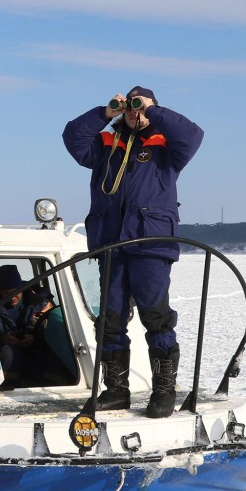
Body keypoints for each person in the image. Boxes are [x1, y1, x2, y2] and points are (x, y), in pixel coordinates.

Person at [62, 86, 204, 418]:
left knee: (156, 317)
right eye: (130, 107)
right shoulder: (106, 146)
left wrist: (153, 111)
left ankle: (163, 391)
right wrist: (105, 113)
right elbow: (72, 138)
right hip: (112, 245)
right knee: (110, 320)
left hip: (150, 245)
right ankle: (115, 391)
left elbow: (193, 135)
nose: (134, 113)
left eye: (138, 108)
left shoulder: (166, 147)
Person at [0, 265, 54, 386]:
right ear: (0, 291)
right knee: (8, 352)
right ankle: (7, 388)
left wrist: (35, 339)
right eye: (7, 294)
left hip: (36, 347)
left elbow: (53, 331)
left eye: (16, 292)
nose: (13, 297)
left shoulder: (42, 303)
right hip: (4, 351)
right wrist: (2, 339)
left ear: (22, 288)